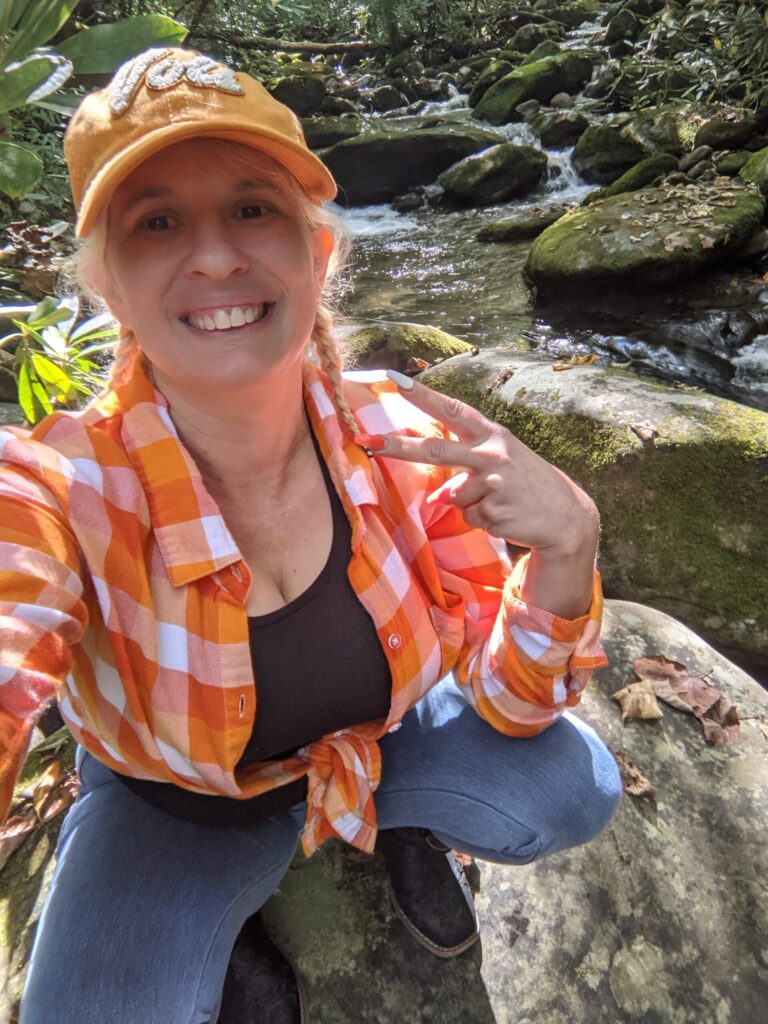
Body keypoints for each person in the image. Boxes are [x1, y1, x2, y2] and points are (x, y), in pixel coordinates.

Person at [0, 47, 621, 1024]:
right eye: (156, 221)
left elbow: (509, 702)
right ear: (108, 288)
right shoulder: (62, 484)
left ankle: (382, 823)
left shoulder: (403, 439)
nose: (214, 257)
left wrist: (568, 549)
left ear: (318, 251)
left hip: (379, 744)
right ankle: (234, 907)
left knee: (571, 788)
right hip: (177, 805)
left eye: (252, 207)